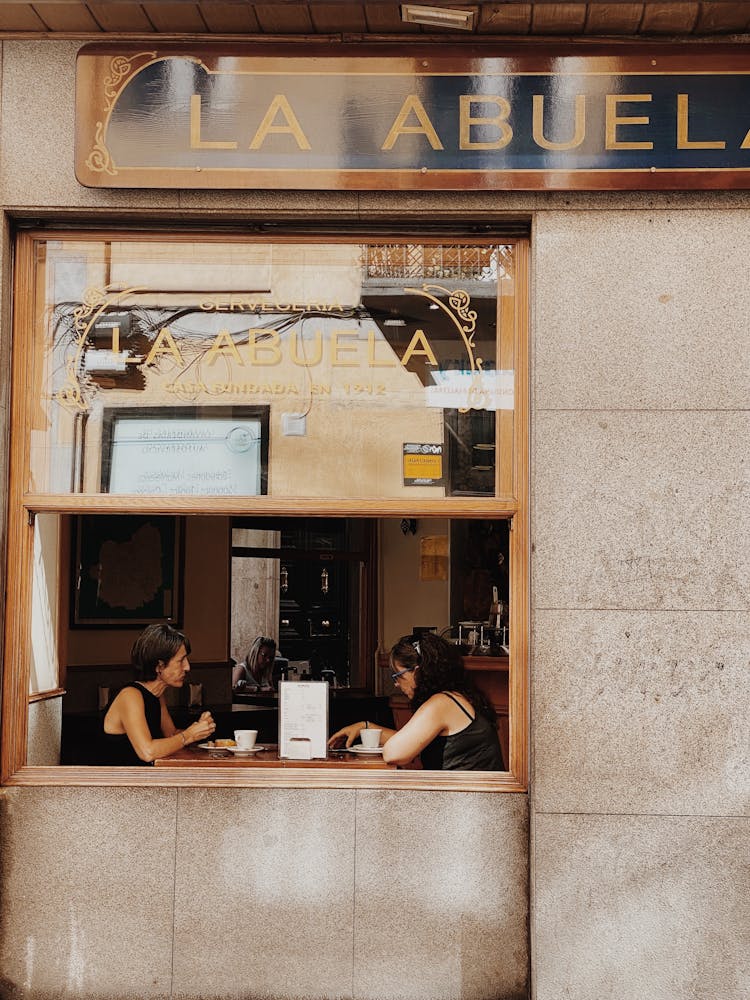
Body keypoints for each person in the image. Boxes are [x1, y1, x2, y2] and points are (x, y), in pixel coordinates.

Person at [328, 632, 504, 770]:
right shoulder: (456, 697)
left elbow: (394, 753)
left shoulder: (442, 703)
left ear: (418, 672)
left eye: (398, 676)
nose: (396, 684)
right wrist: (364, 727)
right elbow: (412, 740)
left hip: (466, 806)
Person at [101, 623, 216, 765]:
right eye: (180, 661)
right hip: (117, 783)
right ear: (159, 666)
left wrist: (199, 728)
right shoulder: (130, 695)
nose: (187, 667)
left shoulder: (157, 695)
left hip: (144, 780)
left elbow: (171, 735)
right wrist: (190, 735)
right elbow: (147, 752)